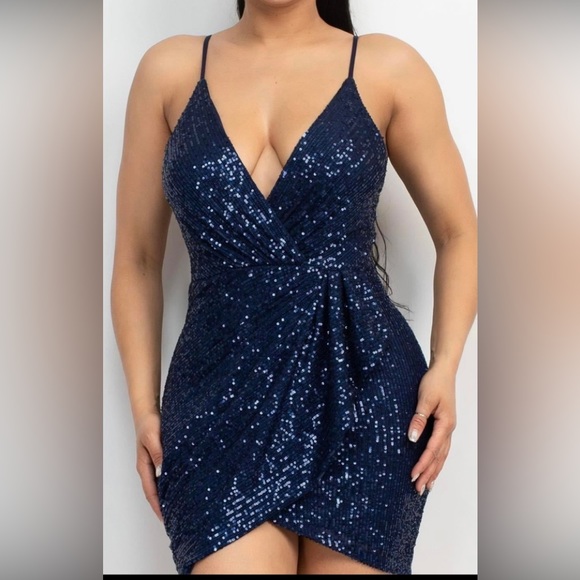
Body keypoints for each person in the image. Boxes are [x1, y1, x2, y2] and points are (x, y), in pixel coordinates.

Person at [110, 0, 477, 574]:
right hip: (219, 402)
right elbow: (136, 258)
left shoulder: (387, 68)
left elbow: (459, 233)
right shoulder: (169, 71)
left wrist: (447, 365)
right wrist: (142, 406)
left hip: (364, 395)